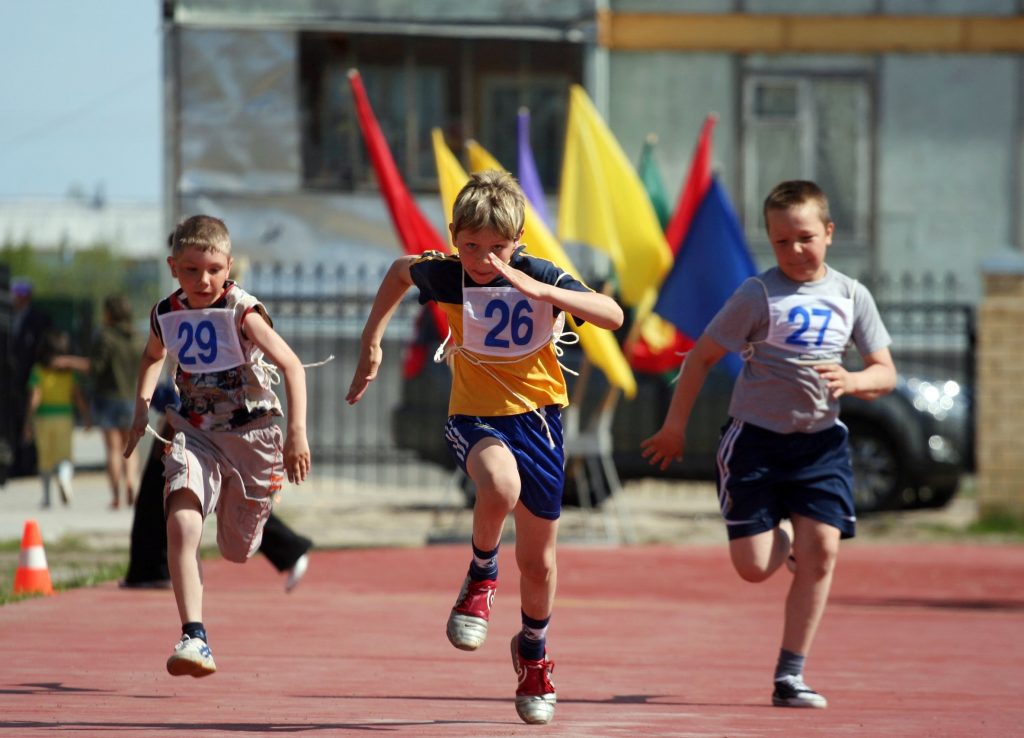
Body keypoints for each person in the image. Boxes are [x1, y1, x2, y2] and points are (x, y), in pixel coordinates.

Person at [346, 170, 624, 725]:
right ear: (453, 236)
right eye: (470, 245)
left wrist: (543, 291)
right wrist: (371, 339)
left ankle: (533, 652)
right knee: (499, 485)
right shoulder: (450, 276)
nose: (482, 259)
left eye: (497, 248)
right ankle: (480, 572)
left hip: (540, 423)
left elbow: (612, 316)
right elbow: (399, 273)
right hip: (475, 417)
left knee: (540, 565)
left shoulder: (539, 273)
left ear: (518, 241)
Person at [642, 180, 897, 709]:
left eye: (805, 238)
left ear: (828, 232)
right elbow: (700, 359)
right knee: (754, 567)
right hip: (755, 443)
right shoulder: (757, 295)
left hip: (820, 445)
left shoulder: (852, 296)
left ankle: (790, 675)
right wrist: (674, 427)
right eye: (781, 242)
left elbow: (885, 373)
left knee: (822, 550)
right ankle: (782, 536)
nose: (795, 251)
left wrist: (853, 382)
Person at [124, 214, 311, 678]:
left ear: (229, 266)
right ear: (173, 267)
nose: (202, 280)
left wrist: (297, 435)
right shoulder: (166, 313)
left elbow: (292, 366)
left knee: (236, 550)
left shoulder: (241, 312)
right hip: (195, 430)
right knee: (181, 523)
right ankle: (194, 636)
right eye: (190, 270)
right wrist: (140, 411)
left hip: (253, 436)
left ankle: (258, 493)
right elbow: (152, 357)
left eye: (213, 269)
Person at [121, 381, 312, 592]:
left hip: (200, 415)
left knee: (216, 497)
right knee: (174, 491)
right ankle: (149, 568)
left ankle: (290, 549)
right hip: (192, 410)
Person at [25, 328, 91, 507]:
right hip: (64, 416)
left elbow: (35, 398)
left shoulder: (38, 371)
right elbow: (77, 396)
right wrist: (86, 416)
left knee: (45, 459)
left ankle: (46, 498)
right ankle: (64, 478)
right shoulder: (69, 373)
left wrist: (28, 421)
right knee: (65, 456)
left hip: (43, 418)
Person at [90, 294, 140, 510]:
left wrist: (71, 362)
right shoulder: (138, 337)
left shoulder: (106, 337)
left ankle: (115, 496)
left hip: (108, 398)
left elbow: (96, 368)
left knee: (112, 449)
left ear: (109, 313)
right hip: (131, 397)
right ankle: (131, 481)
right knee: (131, 447)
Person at [9, 278, 53, 477]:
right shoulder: (9, 316)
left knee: (32, 420)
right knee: (15, 421)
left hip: (32, 376)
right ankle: (16, 462)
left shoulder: (39, 318)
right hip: (12, 380)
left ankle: (31, 463)